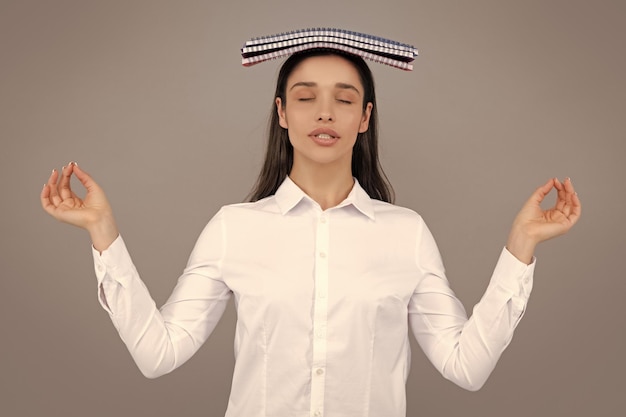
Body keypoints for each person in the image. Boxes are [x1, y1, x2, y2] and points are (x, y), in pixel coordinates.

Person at [41, 49, 581, 417]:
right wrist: (102, 231)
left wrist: (521, 248)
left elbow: (466, 367)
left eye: (344, 99)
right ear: (281, 112)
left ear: (364, 118)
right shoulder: (235, 228)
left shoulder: (406, 233)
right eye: (305, 97)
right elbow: (158, 353)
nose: (325, 112)